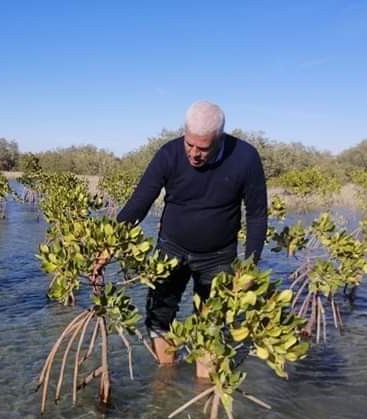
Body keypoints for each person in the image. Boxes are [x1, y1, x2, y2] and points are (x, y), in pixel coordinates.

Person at [98, 101, 267, 378]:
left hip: (219, 257)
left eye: (203, 148)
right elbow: (139, 203)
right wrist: (109, 246)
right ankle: (166, 383)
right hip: (171, 250)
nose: (194, 154)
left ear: (220, 137)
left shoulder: (246, 157)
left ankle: (204, 387)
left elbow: (258, 215)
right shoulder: (169, 153)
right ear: (184, 132)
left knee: (211, 324)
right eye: (190, 144)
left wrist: (249, 267)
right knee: (159, 317)